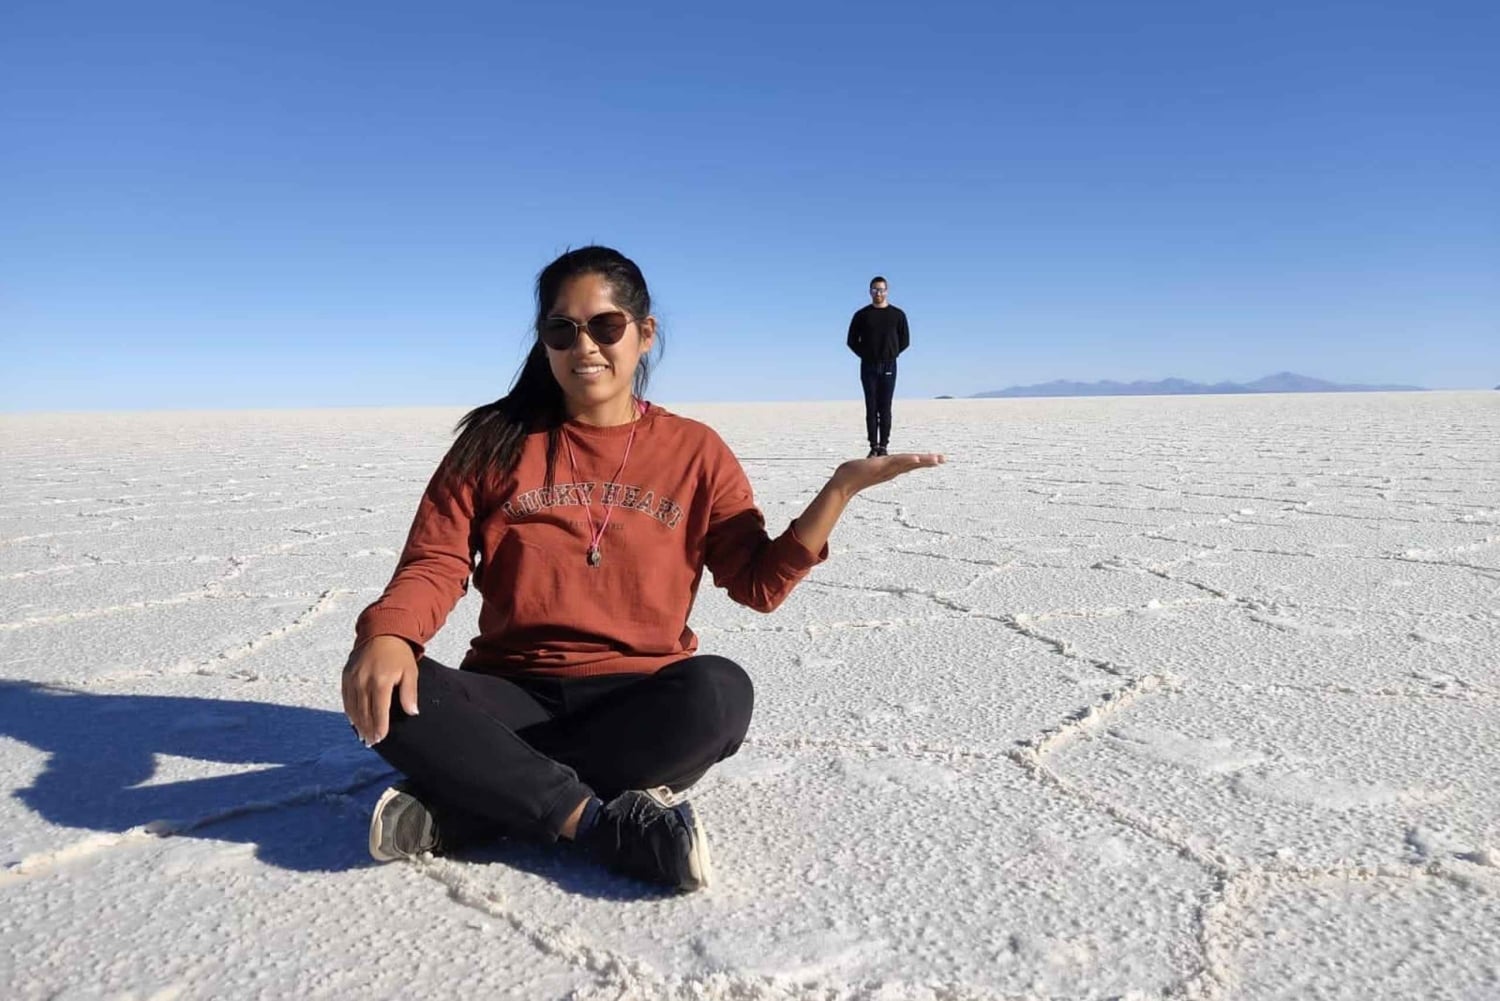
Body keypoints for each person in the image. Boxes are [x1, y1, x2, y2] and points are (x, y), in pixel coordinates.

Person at [342, 246, 944, 892]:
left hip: (639, 700)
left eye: (606, 326)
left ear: (644, 332)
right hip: (512, 692)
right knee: (390, 687)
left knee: (720, 694)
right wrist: (390, 634)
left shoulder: (694, 451)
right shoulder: (494, 441)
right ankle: (595, 824)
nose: (585, 346)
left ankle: (471, 800)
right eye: (562, 330)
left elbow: (758, 583)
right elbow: (436, 560)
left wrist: (839, 491)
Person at [845, 276, 910, 457]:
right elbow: (851, 341)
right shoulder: (861, 315)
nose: (878, 293)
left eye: (881, 290)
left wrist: (891, 353)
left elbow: (905, 340)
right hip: (868, 366)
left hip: (889, 365)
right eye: (875, 290)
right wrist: (866, 354)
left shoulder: (897, 315)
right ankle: (873, 446)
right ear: (870, 292)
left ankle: (884, 446)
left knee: (885, 407)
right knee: (871, 407)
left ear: (887, 291)